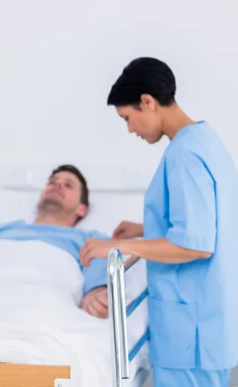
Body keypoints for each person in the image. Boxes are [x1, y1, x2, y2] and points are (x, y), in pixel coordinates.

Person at [80, 57, 238, 387]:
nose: (130, 129)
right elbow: (211, 218)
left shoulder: (184, 156)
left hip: (190, 332)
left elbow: (195, 244)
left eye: (128, 118)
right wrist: (144, 227)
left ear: (148, 102)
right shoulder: (205, 141)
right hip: (206, 323)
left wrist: (120, 245)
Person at [0, 164, 112, 319]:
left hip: (39, 301)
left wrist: (95, 299)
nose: (57, 186)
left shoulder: (91, 241)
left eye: (68, 185)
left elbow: (96, 289)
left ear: (82, 209)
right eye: (52, 182)